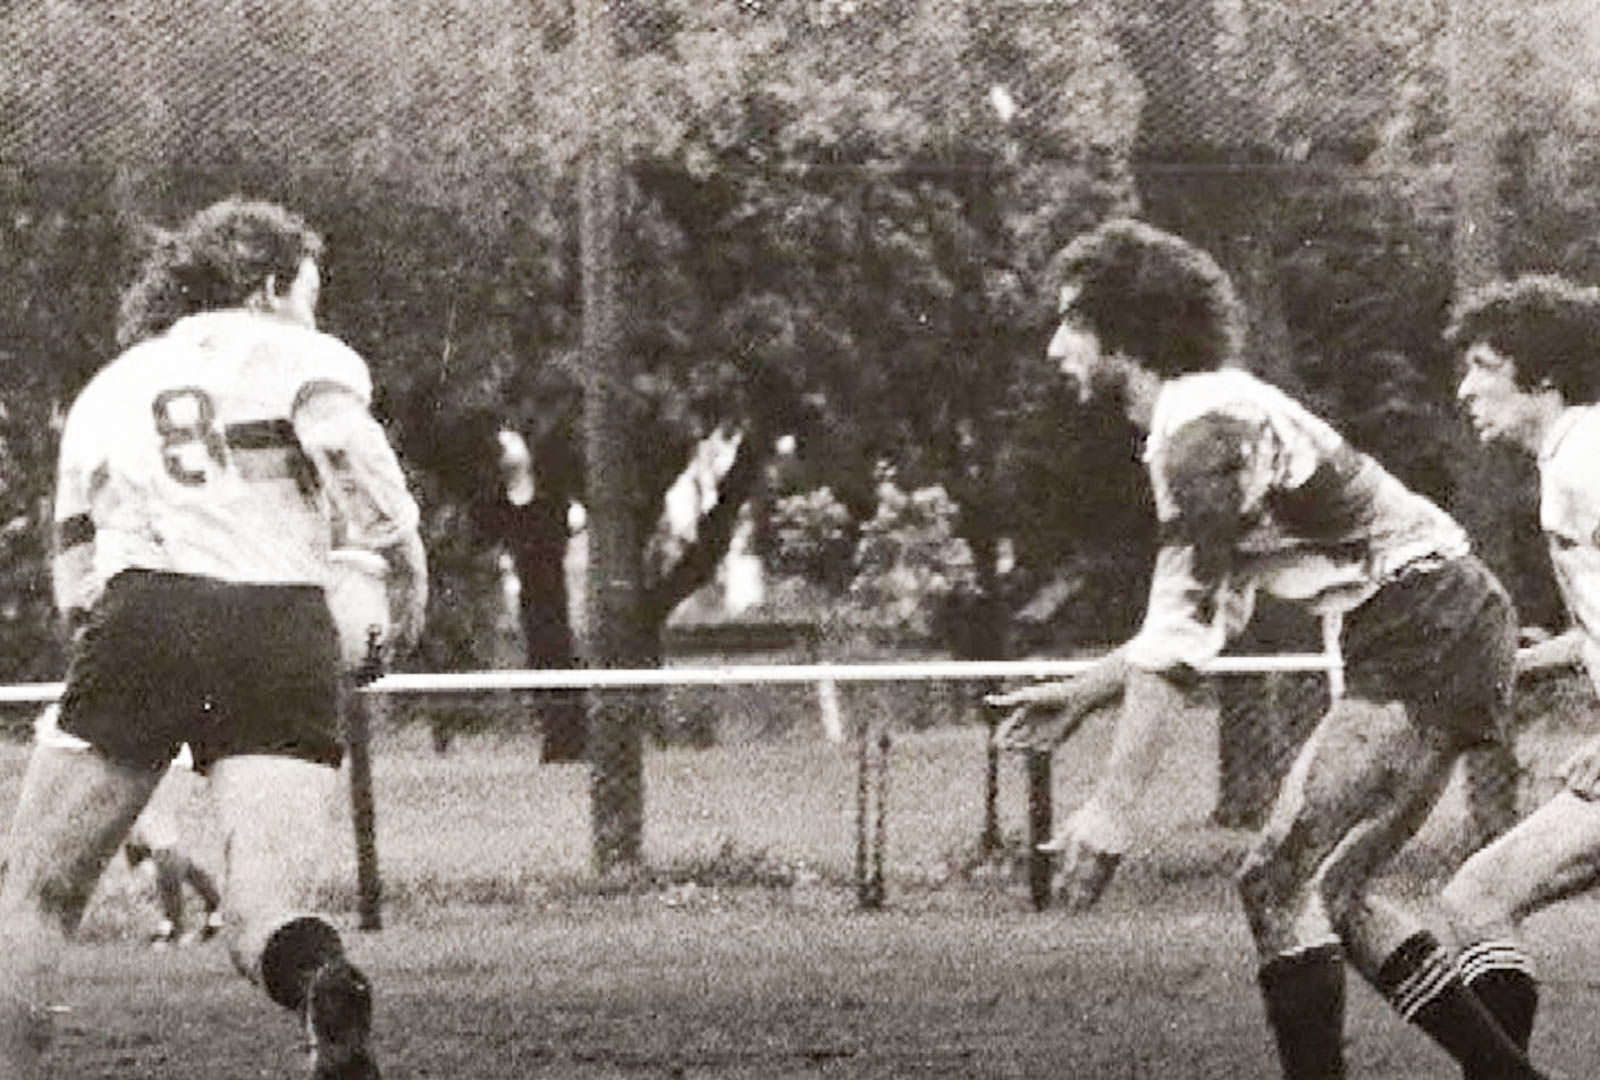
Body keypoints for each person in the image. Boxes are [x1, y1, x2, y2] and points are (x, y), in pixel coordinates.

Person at [987, 219, 1544, 1079]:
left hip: (1420, 623)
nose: (1057, 345)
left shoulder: (1198, 433)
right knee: (1337, 893)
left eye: (1072, 322)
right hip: (1443, 614)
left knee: (1277, 883)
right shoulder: (1215, 413)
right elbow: (1218, 602)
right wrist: (1091, 688)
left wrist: (1110, 810)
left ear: (1126, 329)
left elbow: (1182, 641)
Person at [0, 197, 427, 1080]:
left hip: (149, 612)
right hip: (284, 624)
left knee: (37, 891)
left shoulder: (110, 390)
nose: (315, 312)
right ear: (270, 285)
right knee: (261, 915)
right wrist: (405, 572)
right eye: (310, 291)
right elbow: (350, 451)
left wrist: (119, 686)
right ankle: (319, 982)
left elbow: (77, 583)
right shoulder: (306, 355)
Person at [1436, 273, 1600, 1065]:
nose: (1466, 389)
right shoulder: (1571, 458)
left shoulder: (1587, 460)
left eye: (1482, 366)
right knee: (1479, 897)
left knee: (1478, 896)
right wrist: (1521, 663)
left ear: (1541, 375)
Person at [34, 707, 224, 948]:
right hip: (140, 750)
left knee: (160, 837)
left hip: (163, 750)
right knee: (145, 838)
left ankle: (175, 926)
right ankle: (214, 907)